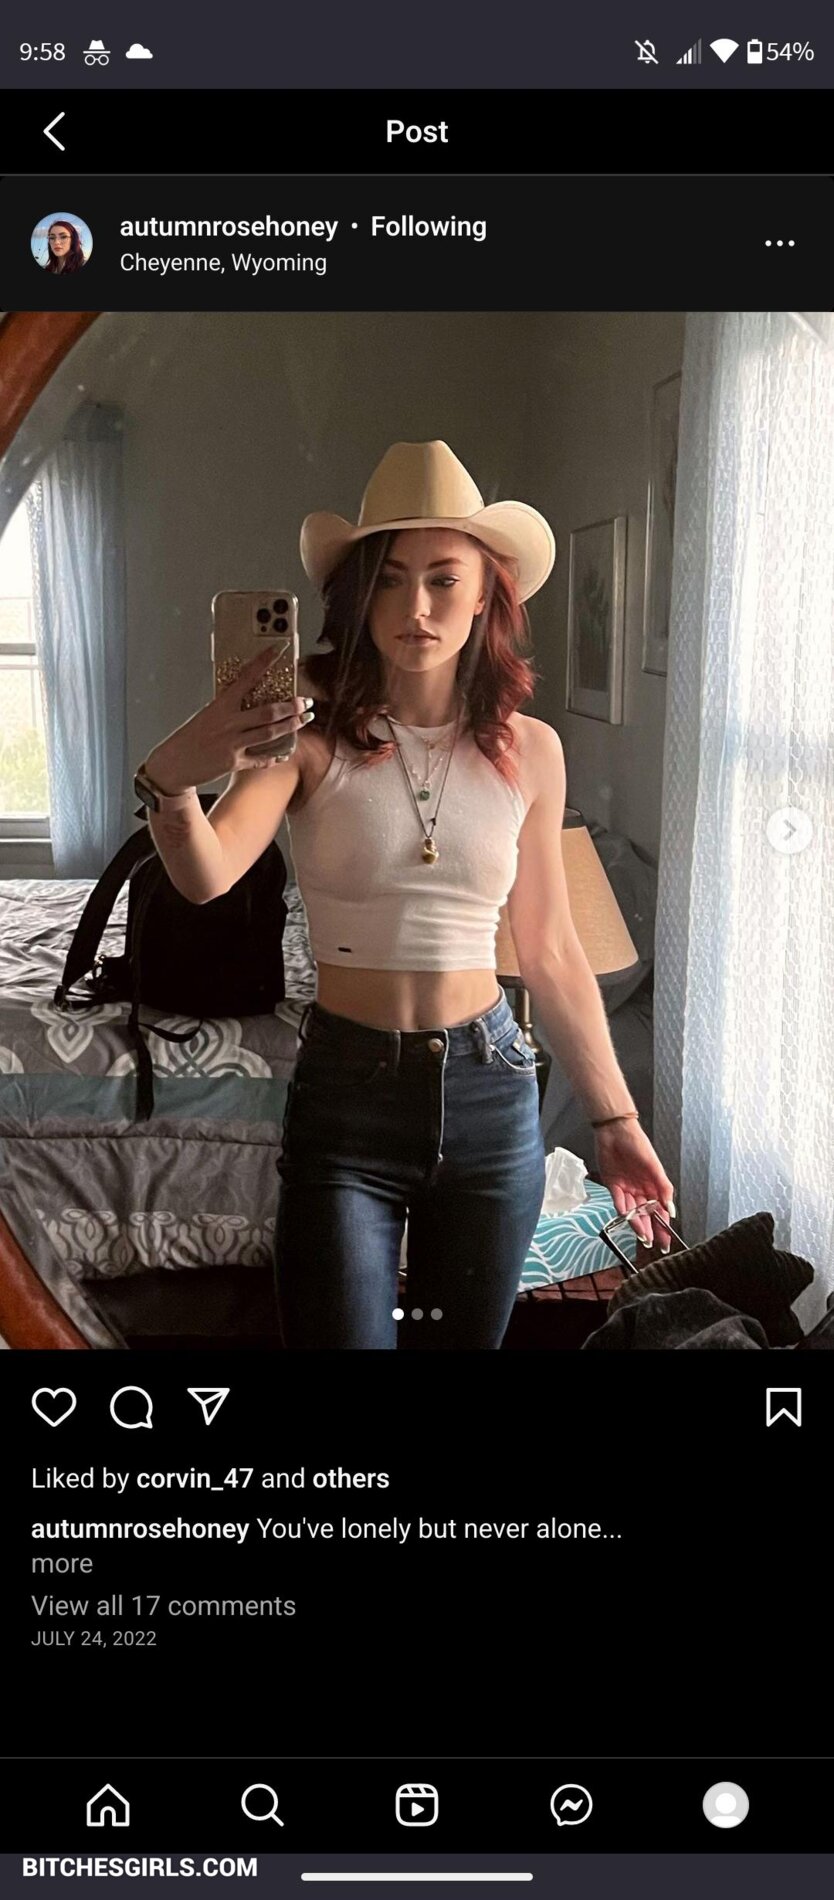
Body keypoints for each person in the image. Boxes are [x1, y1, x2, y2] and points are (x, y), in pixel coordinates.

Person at [141, 440, 675, 1350]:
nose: (416, 608)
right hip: (348, 1093)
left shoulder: (532, 750)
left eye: (442, 579)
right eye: (389, 580)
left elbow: (549, 948)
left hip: (492, 1089)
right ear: (358, 596)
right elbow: (206, 875)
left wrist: (616, 1120)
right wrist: (171, 779)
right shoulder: (306, 727)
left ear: (487, 594)